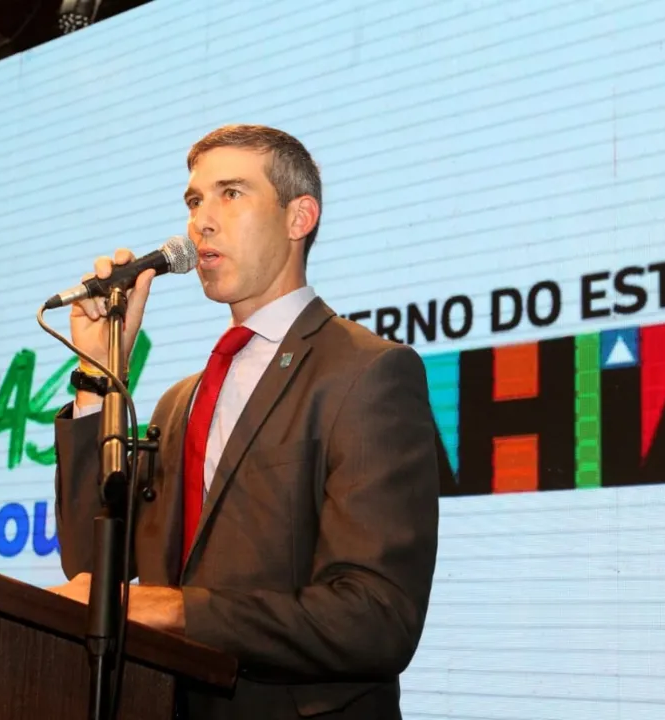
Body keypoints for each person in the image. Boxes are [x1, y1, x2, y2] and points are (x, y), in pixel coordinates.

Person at [50, 124, 448, 719]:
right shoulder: (178, 402)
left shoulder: (369, 372)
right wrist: (97, 375)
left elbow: (377, 617)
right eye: (193, 201)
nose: (200, 221)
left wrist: (181, 610)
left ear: (299, 217)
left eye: (230, 194)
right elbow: (91, 564)